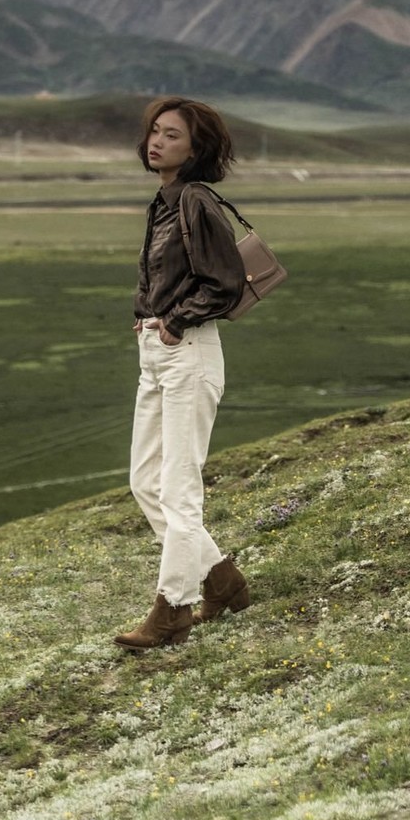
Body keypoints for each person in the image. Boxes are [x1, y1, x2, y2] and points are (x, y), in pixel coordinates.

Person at [114, 96, 251, 650]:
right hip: (159, 352)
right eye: (155, 131)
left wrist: (174, 320)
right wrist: (146, 317)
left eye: (172, 135)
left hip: (189, 351)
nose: (157, 141)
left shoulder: (194, 201)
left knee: (178, 490)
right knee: (146, 482)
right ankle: (223, 580)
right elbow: (168, 273)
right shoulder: (165, 201)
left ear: (196, 149)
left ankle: (173, 609)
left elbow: (225, 282)